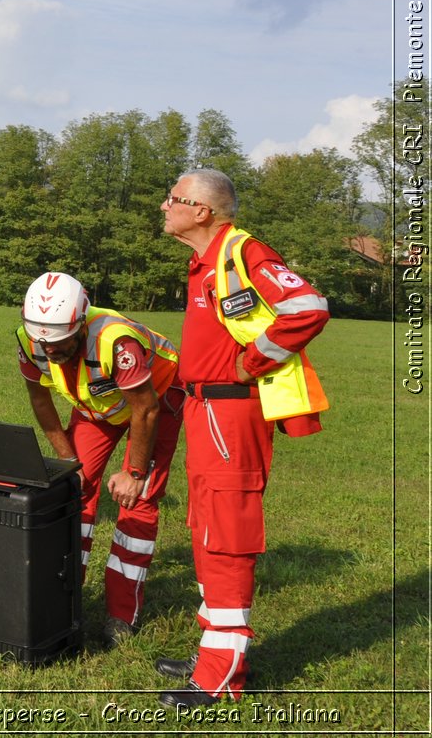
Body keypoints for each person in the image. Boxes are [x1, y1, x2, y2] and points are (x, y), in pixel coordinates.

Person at [154, 168, 329, 708]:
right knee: (207, 529)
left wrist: (252, 361)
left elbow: (308, 308)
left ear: (202, 210)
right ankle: (215, 651)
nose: (164, 205)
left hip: (231, 413)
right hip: (204, 411)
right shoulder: (204, 261)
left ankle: (221, 673)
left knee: (227, 533)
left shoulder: (245, 253)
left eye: (174, 198)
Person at [16, 271, 184, 648]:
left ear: (80, 324)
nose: (49, 352)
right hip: (99, 404)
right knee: (72, 491)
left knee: (135, 502)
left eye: (60, 343)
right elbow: (40, 400)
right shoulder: (31, 342)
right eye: (43, 344)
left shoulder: (116, 341)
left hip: (155, 398)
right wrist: (68, 464)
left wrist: (135, 472)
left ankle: (122, 614)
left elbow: (145, 410)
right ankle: (67, 595)